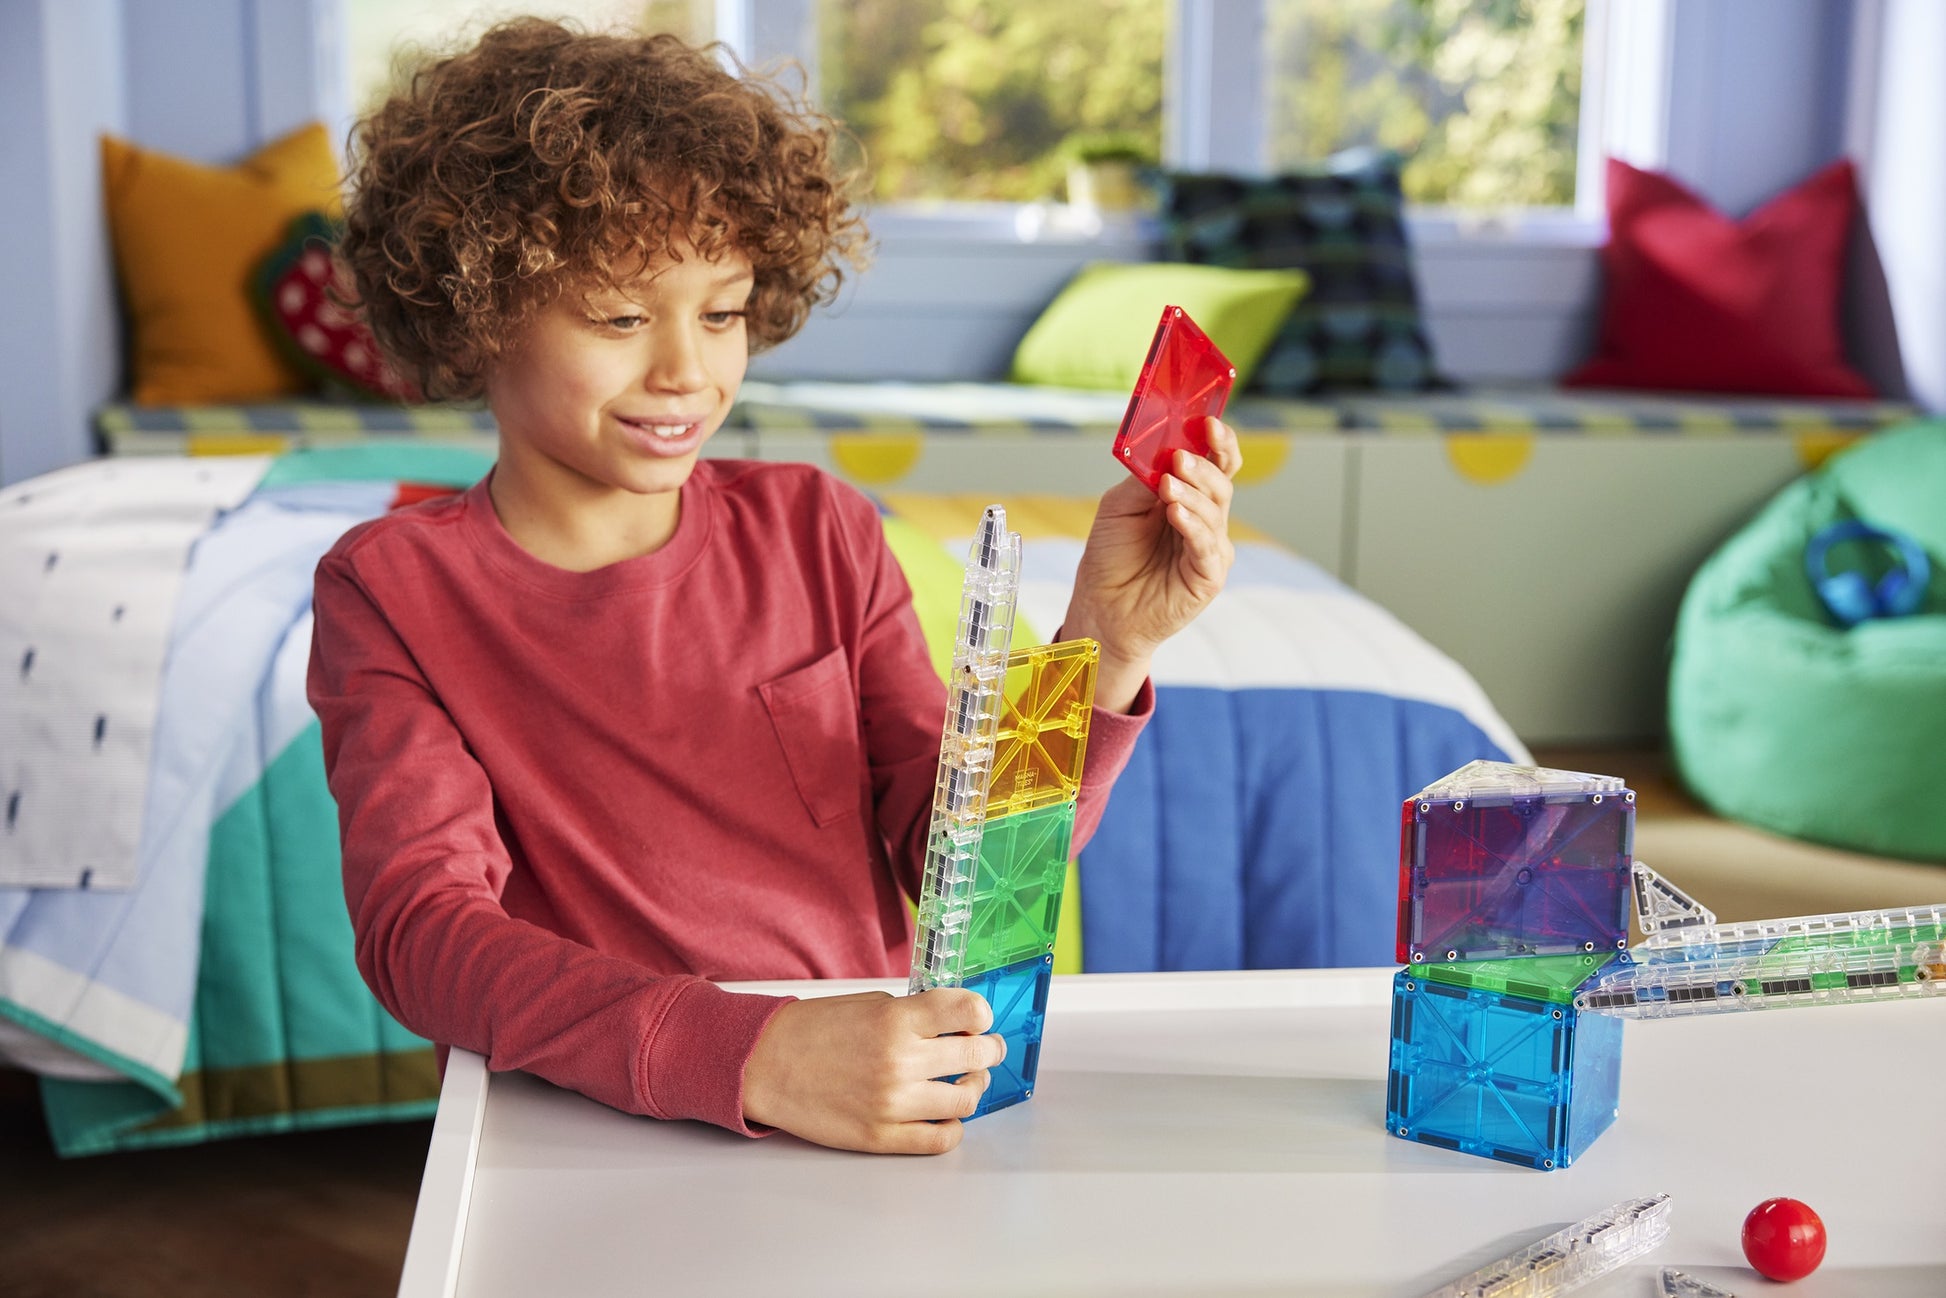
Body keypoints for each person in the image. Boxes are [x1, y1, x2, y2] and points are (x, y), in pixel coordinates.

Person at [309, 17, 1242, 1156]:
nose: (685, 371)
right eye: (618, 314)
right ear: (478, 302)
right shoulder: (393, 586)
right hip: (606, 1124)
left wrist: (1102, 642)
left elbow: (944, 854)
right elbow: (423, 933)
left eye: (721, 310)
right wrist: (753, 1052)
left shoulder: (820, 528)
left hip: (873, 1104)